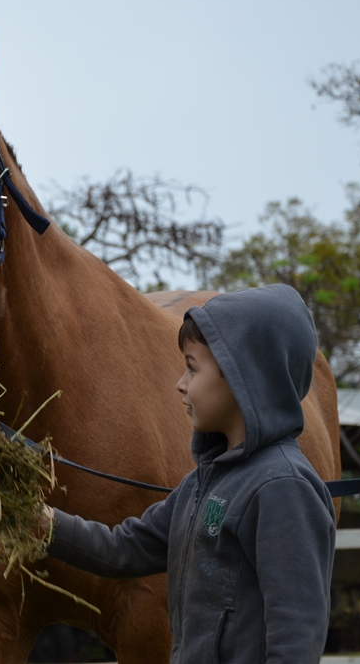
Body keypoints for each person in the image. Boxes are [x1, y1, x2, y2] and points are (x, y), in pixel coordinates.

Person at [29, 284, 336, 663]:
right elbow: (124, 548)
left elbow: (295, 638)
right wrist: (45, 524)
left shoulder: (283, 490)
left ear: (244, 379)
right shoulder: (200, 484)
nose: (180, 383)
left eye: (192, 368)